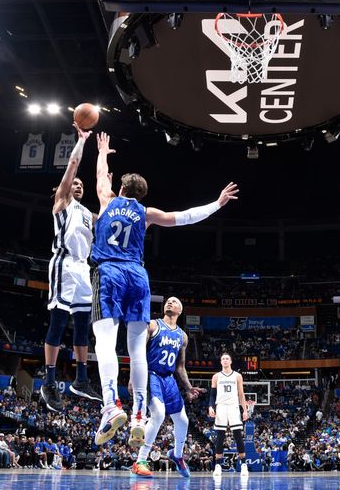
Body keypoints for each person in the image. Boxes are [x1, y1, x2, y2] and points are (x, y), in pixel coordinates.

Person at [91, 132, 238, 446]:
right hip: (138, 276)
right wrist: (218, 202)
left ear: (120, 188)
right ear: (141, 195)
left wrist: (103, 151)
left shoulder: (107, 199)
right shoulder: (146, 214)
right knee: (136, 348)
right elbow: (185, 218)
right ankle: (139, 414)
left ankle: (110, 405)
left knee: (104, 340)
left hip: (110, 272)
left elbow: (100, 176)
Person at [41, 122, 101, 412]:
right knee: (59, 322)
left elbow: (111, 207)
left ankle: (81, 379)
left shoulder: (89, 214)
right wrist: (82, 141)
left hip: (83, 270)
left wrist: (103, 162)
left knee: (82, 326)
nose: (77, 185)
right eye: (74, 183)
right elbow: (73, 166)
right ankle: (49, 381)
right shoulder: (62, 203)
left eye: (80, 185)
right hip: (63, 264)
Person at [131, 297, 205, 478]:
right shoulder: (153, 325)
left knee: (183, 421)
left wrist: (188, 388)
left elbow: (180, 366)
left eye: (175, 301)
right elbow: (138, 352)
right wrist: (134, 377)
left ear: (180, 310)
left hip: (169, 379)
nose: (170, 302)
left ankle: (177, 455)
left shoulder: (183, 336)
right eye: (168, 301)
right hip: (151, 374)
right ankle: (140, 461)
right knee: (158, 413)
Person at [209, 352, 250, 477]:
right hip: (221, 406)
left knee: (237, 435)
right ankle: (217, 466)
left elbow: (241, 394)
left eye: (227, 359)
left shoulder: (237, 376)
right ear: (221, 362)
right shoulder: (216, 376)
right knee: (220, 437)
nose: (225, 360)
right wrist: (211, 406)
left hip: (233, 406)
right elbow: (212, 394)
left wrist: (245, 410)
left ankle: (243, 465)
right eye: (223, 359)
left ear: (230, 361)